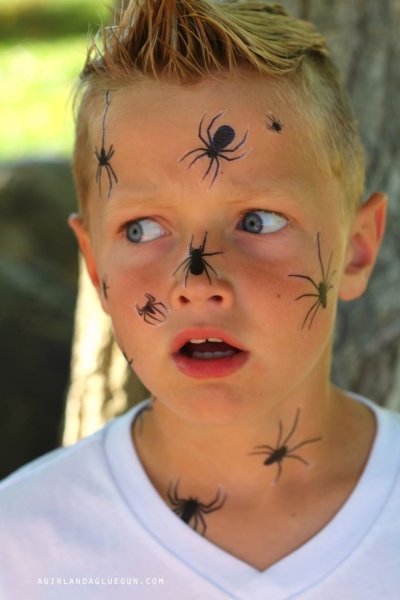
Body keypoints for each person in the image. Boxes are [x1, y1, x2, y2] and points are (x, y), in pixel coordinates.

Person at [0, 1, 398, 598]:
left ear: (358, 250)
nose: (196, 282)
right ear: (96, 267)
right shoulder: (20, 552)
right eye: (141, 229)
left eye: (258, 221)